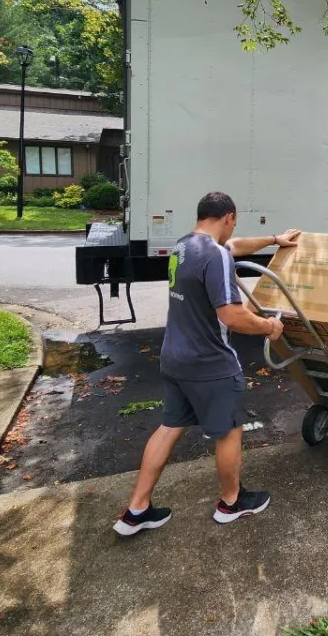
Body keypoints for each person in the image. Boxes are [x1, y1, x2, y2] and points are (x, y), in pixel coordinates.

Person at [114, 191, 300, 535]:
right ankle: (231, 503)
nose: (233, 231)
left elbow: (237, 246)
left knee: (170, 427)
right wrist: (270, 328)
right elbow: (231, 316)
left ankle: (136, 509)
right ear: (228, 217)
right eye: (234, 223)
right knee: (229, 431)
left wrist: (276, 240)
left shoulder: (184, 247)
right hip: (209, 362)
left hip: (174, 357)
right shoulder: (215, 255)